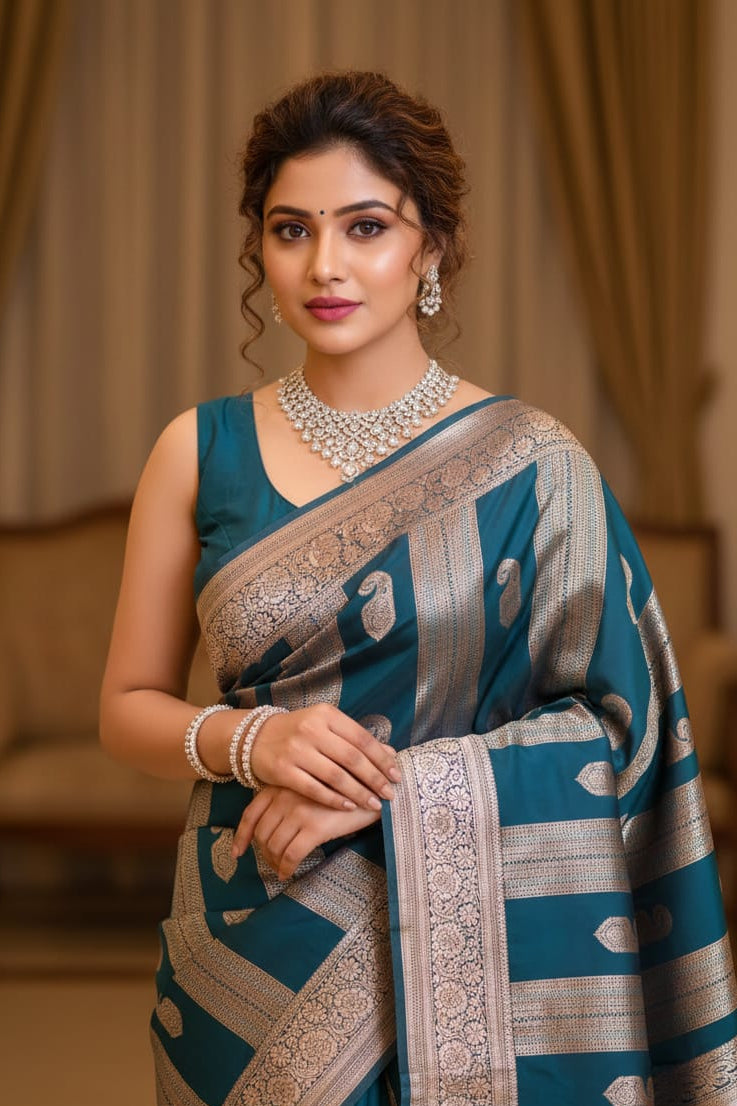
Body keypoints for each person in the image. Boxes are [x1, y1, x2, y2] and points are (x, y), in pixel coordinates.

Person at [100, 70, 737, 1106]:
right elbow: (126, 708)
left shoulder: (533, 465)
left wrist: (392, 789)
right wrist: (253, 740)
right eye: (292, 230)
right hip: (247, 946)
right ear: (260, 248)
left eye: (365, 226)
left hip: (485, 952)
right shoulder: (198, 451)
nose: (325, 264)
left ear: (430, 247)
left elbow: (624, 730)